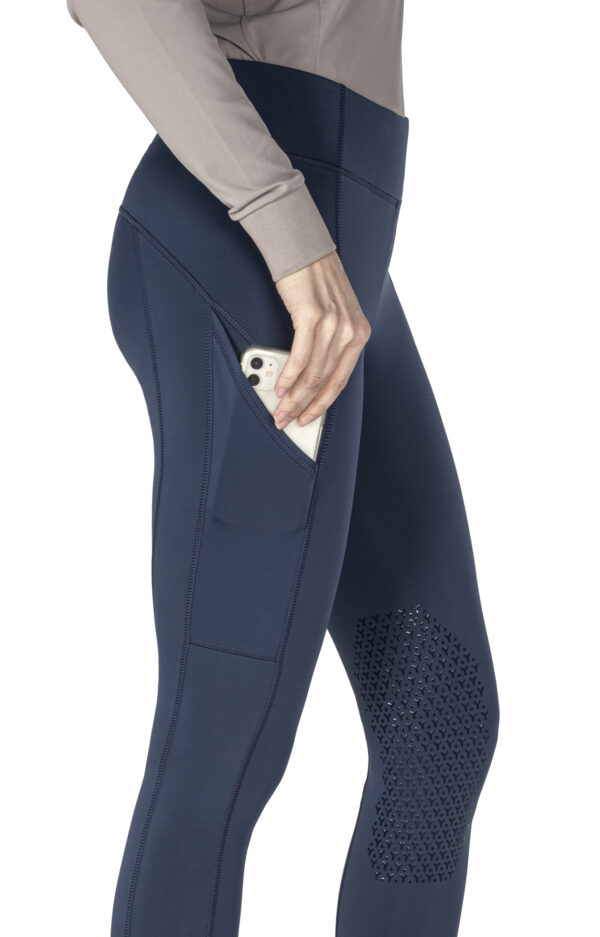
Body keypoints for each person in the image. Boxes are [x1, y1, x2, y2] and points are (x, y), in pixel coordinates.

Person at [65, 3, 500, 936]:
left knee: (438, 720)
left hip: (337, 260)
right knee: (223, 746)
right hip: (263, 260)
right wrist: (284, 224)